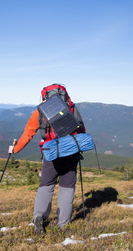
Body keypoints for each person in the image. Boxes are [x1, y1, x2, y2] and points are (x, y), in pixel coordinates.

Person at [8, 84, 85, 234]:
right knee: (67, 187)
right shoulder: (72, 108)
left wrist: (15, 149)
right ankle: (63, 224)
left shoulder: (40, 112)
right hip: (70, 153)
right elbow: (82, 130)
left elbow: (28, 134)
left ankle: (39, 216)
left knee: (46, 185)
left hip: (51, 154)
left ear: (45, 96)